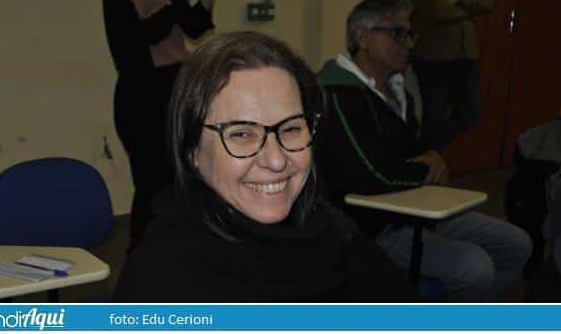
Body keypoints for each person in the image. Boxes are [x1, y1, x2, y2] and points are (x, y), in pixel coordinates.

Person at [114, 31, 418, 302]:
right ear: (192, 150)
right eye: (241, 134)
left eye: (291, 128)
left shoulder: (332, 230)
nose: (276, 160)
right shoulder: (160, 282)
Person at [317, 0, 531, 302]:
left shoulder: (398, 90)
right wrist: (428, 168)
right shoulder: (337, 93)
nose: (409, 44)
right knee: (476, 267)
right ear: (362, 38)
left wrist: (431, 159)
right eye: (398, 33)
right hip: (371, 226)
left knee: (517, 243)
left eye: (410, 34)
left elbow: (416, 151)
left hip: (413, 208)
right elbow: (370, 176)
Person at [101, 0, 227, 250]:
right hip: (143, 92)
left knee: (184, 184)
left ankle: (179, 261)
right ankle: (140, 265)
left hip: (176, 84)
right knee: (153, 189)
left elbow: (193, 27)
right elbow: (141, 34)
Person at [404, 0, 493, 150]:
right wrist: (468, 7)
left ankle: (426, 152)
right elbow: (437, 11)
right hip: (433, 58)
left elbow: (487, 3)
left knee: (471, 114)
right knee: (433, 117)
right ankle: (426, 159)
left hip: (465, 56)